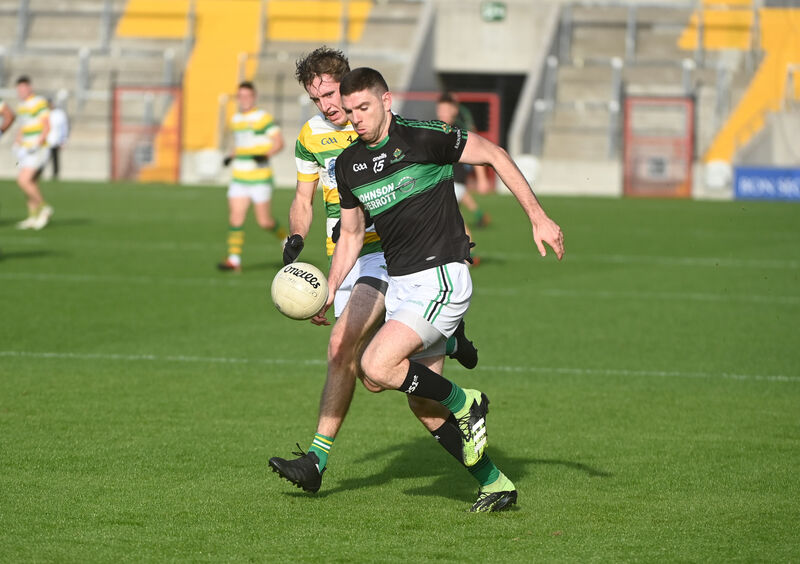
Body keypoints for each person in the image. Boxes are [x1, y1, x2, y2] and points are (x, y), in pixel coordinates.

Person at [320, 67, 565, 512]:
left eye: (364, 107)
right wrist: (328, 289)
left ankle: (467, 399)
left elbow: (492, 152)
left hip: (442, 277)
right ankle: (495, 484)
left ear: (386, 101)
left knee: (376, 365)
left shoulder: (422, 137)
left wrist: (537, 216)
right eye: (350, 110)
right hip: (403, 286)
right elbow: (352, 237)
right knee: (415, 400)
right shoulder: (348, 165)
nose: (355, 117)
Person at [268, 47, 479, 501]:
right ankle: (490, 475)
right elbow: (303, 199)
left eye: (330, 94)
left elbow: (431, 172)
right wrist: (294, 240)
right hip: (343, 255)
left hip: (385, 253)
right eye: (316, 98)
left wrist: (456, 235)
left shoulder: (377, 123)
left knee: (341, 347)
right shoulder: (312, 135)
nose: (327, 105)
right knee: (379, 380)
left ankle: (317, 460)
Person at [218, 81, 286, 272]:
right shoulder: (236, 119)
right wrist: (230, 156)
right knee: (236, 219)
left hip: (260, 177)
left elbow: (279, 143)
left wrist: (265, 155)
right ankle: (234, 260)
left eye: (247, 96)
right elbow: (241, 144)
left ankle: (284, 238)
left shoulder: (263, 118)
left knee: (264, 222)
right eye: (241, 96)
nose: (244, 100)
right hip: (239, 176)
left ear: (254, 97)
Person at [436, 93, 491, 227]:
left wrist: (482, 179)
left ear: (454, 111)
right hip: (443, 182)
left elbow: (476, 153)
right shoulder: (435, 129)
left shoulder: (459, 132)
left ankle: (467, 244)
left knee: (449, 220)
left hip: (455, 181)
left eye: (446, 110)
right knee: (450, 221)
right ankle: (477, 219)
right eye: (440, 110)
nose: (443, 114)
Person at [13, 76, 53, 230]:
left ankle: (44, 207)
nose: (21, 92)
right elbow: (23, 126)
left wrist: (38, 143)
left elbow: (46, 125)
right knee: (31, 183)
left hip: (37, 149)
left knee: (23, 180)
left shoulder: (39, 102)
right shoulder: (22, 106)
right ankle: (33, 216)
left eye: (24, 88)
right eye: (19, 89)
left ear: (30, 88)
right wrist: (17, 143)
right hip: (25, 149)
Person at [46, 98, 69, 181]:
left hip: (55, 141)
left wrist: (64, 140)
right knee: (43, 159)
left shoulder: (59, 114)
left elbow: (64, 128)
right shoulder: (44, 113)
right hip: (45, 141)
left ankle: (55, 175)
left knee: (55, 159)